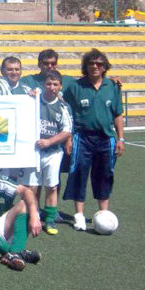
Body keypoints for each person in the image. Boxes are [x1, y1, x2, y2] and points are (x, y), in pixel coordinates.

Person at [62, 49, 124, 231]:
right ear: (86, 66)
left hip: (106, 137)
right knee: (79, 173)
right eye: (91, 63)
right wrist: (68, 138)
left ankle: (103, 213)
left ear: (105, 67)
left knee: (104, 174)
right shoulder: (75, 86)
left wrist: (121, 138)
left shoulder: (112, 87)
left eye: (99, 64)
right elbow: (67, 112)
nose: (95, 66)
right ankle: (79, 215)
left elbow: (118, 114)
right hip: (82, 137)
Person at [27, 70, 72, 235]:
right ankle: (34, 214)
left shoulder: (63, 106)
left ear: (60, 86)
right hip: (34, 151)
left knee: (51, 186)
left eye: (55, 84)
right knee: (32, 186)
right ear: (43, 85)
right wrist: (30, 94)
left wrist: (49, 141)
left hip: (53, 152)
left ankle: (50, 220)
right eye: (48, 84)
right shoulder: (33, 100)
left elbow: (67, 131)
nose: (52, 87)